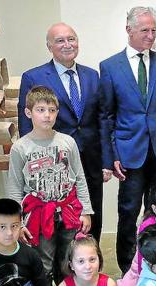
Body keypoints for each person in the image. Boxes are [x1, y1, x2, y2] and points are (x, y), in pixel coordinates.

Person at [99, 6, 156, 274]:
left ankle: (155, 264)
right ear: (129, 30)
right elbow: (106, 116)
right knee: (128, 212)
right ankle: (128, 269)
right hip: (129, 152)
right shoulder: (110, 66)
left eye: (153, 31)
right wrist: (110, 155)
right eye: (145, 30)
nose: (150, 36)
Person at [18, 23, 104, 242]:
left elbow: (102, 119)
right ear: (49, 47)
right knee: (56, 218)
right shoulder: (33, 77)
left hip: (91, 157)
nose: (68, 45)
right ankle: (62, 270)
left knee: (91, 210)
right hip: (52, 160)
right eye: (60, 40)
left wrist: (107, 160)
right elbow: (26, 124)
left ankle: (90, 262)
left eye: (71, 39)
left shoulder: (92, 76)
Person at [6, 86, 93, 286]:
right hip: (38, 215)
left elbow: (79, 178)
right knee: (43, 264)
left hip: (68, 212)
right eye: (41, 110)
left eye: (52, 110)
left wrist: (86, 211)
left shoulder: (67, 142)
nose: (47, 115)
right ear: (29, 113)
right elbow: (15, 187)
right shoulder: (20, 148)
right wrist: (17, 223)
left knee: (69, 261)